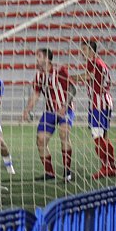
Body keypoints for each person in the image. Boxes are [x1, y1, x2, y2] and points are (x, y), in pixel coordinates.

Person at [22, 48, 76, 181]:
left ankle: (67, 172)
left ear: (47, 58)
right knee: (40, 140)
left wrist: (64, 106)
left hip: (66, 108)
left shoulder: (60, 70)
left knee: (64, 133)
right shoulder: (39, 75)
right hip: (50, 111)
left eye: (39, 56)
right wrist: (27, 110)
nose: (37, 59)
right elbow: (36, 94)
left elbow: (72, 88)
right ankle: (49, 173)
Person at [72, 40, 116, 179]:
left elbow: (88, 77)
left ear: (91, 51)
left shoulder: (93, 62)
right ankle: (112, 165)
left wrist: (69, 77)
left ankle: (106, 167)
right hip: (106, 101)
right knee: (104, 136)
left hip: (98, 103)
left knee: (97, 137)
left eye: (84, 50)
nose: (82, 52)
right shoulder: (101, 63)